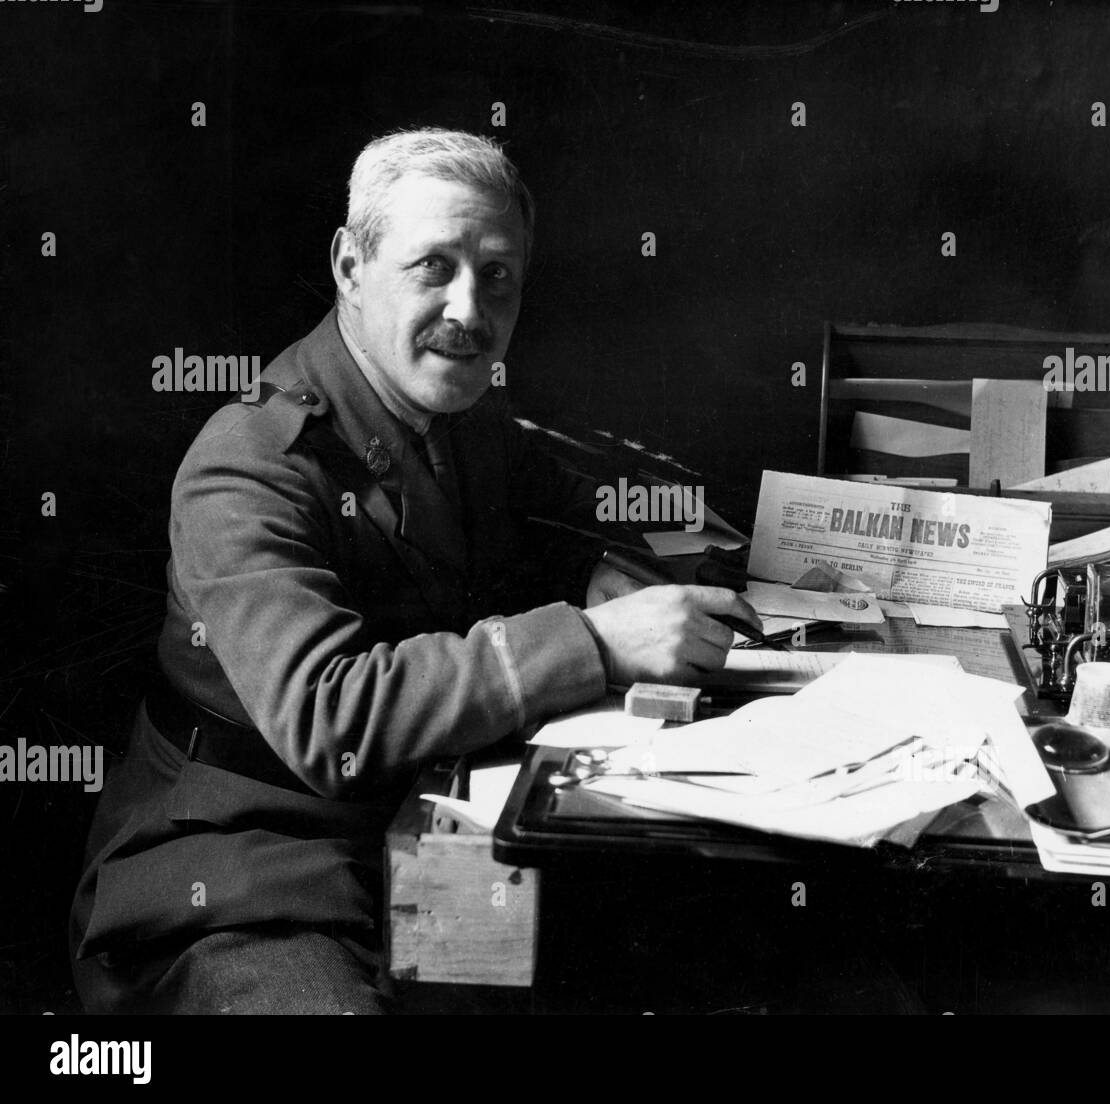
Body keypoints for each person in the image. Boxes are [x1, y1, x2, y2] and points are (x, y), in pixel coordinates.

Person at [69, 127, 760, 1013]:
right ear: (351, 268)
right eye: (434, 267)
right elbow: (330, 716)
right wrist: (592, 640)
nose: (471, 311)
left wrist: (593, 566)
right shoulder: (248, 466)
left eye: (498, 274)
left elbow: (544, 510)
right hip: (246, 872)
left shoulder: (455, 403)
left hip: (426, 825)